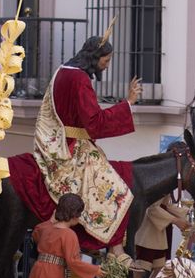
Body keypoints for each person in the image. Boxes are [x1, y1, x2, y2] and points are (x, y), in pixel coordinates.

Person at [26, 36, 141, 260]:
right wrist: (128, 104)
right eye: (106, 60)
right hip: (72, 148)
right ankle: (114, 248)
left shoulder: (62, 70)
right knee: (118, 190)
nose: (107, 65)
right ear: (94, 58)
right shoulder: (80, 79)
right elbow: (95, 123)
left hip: (59, 141)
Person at [131, 193, 189, 278]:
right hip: (148, 232)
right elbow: (152, 208)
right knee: (139, 271)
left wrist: (187, 213)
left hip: (160, 233)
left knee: (158, 271)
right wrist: (176, 221)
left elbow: (166, 205)